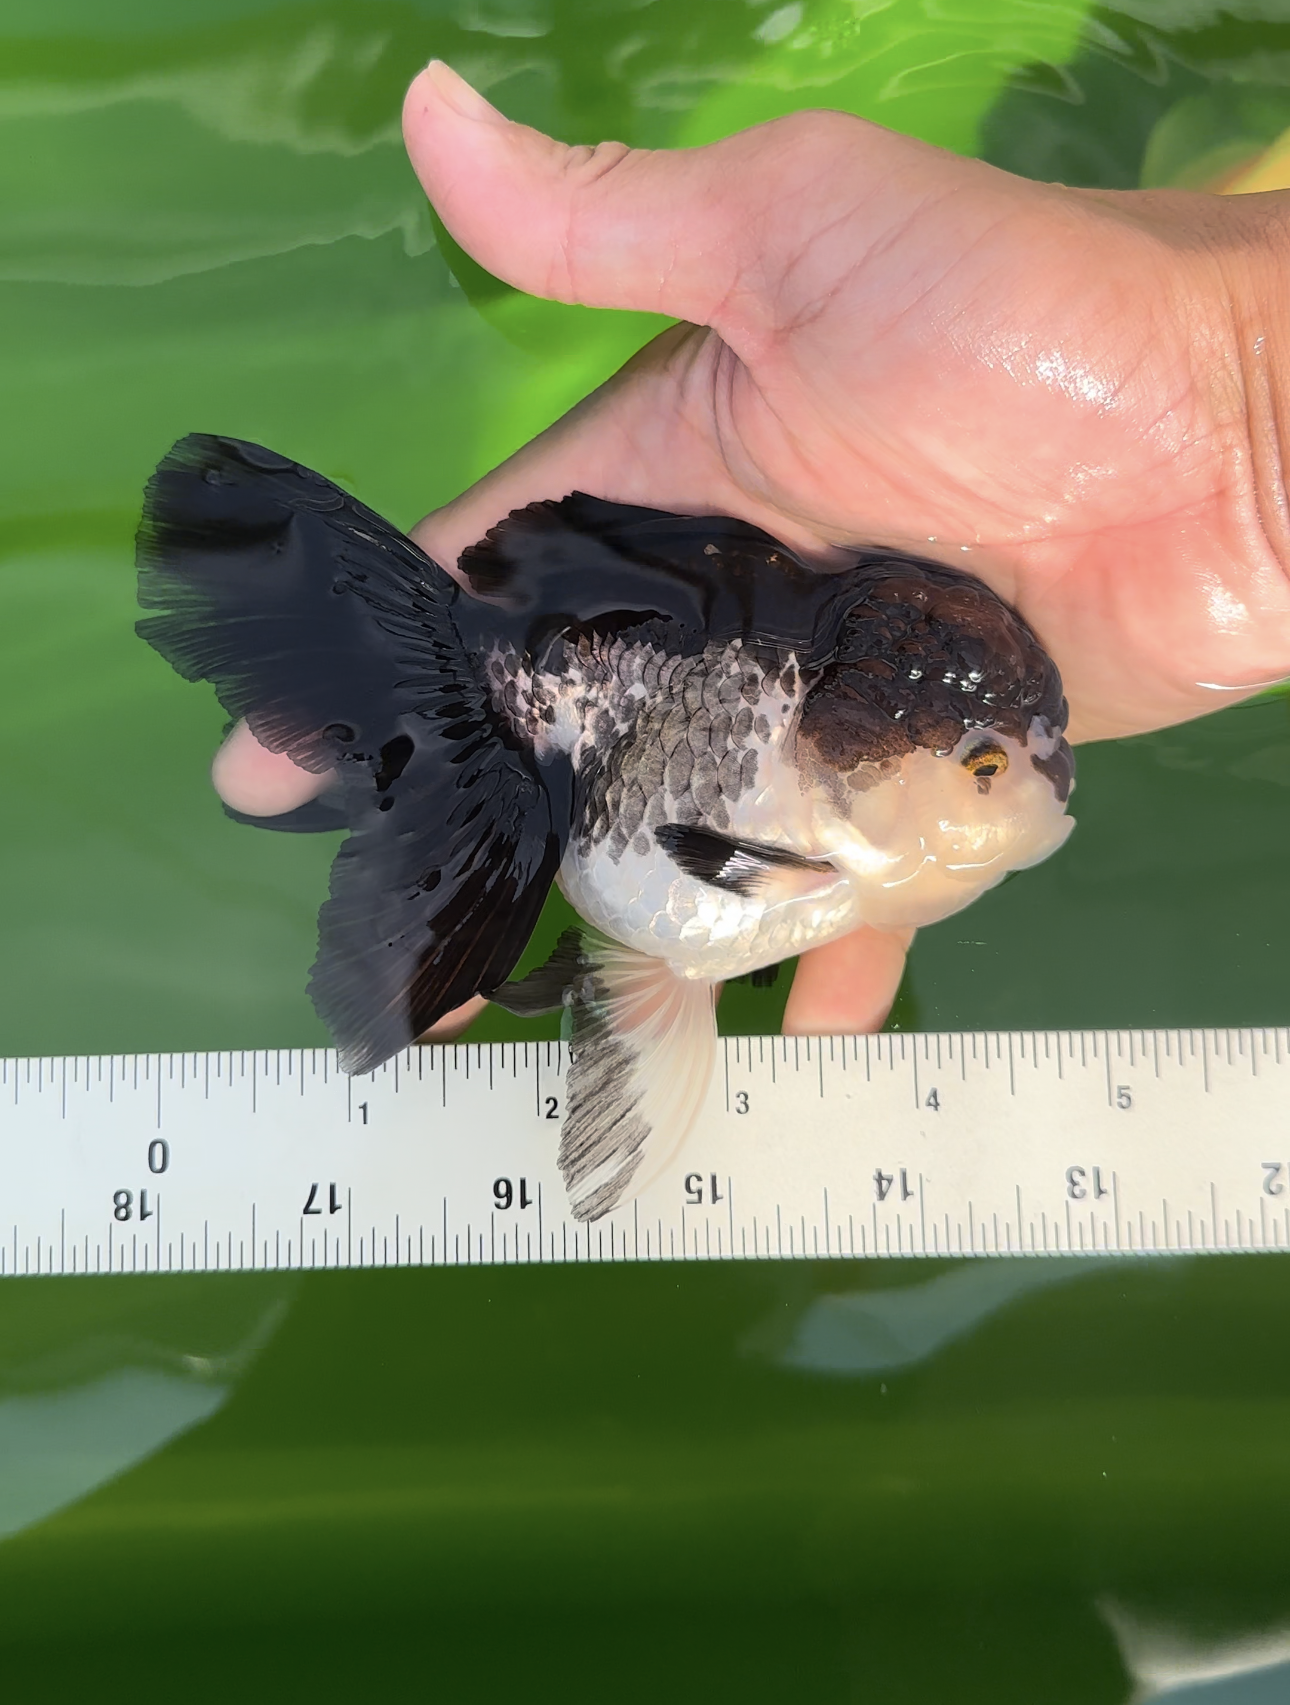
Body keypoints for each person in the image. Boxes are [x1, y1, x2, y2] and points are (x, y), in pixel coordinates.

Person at [215, 62, 1290, 1037]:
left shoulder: (836, 839)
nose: (1030, 788)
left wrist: (1244, 400)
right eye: (988, 767)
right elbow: (707, 864)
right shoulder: (819, 841)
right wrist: (1239, 401)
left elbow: (700, 870)